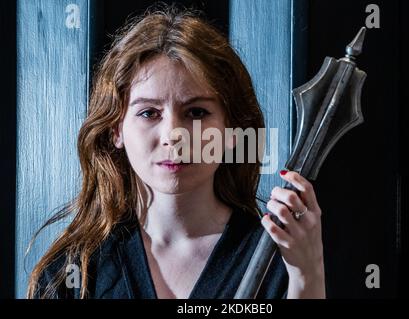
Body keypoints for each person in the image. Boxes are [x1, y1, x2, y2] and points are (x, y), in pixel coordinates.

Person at [28, 6, 325, 299]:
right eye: (148, 113)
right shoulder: (74, 272)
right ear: (116, 129)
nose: (173, 135)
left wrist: (307, 275)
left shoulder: (279, 259)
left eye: (196, 112)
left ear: (233, 130)